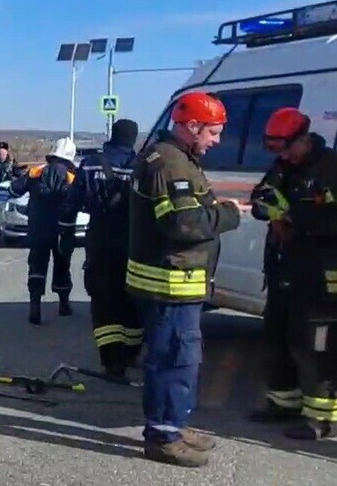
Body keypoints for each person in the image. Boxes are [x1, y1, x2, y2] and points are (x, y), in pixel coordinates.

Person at [127, 91, 246, 467]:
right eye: (213, 132)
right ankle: (164, 436)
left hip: (176, 279)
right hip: (170, 282)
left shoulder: (176, 158)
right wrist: (228, 214)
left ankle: (173, 426)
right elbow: (182, 224)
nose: (217, 140)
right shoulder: (171, 164)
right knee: (175, 360)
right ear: (192, 126)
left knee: (178, 358)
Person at [248, 107, 337, 440]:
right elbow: (260, 198)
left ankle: (322, 420)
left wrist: (293, 219)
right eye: (275, 150)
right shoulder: (283, 166)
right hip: (285, 267)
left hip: (322, 273)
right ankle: (282, 402)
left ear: (303, 140)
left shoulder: (330, 168)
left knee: (316, 346)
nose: (282, 156)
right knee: (278, 335)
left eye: (285, 148)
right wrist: (273, 210)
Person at [59, 119, 142, 378]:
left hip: (100, 239)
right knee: (131, 299)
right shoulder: (141, 166)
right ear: (133, 139)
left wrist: (66, 235)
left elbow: (71, 203)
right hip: (133, 241)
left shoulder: (92, 163)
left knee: (104, 300)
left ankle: (111, 361)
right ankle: (130, 353)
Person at [10, 137, 77, 325]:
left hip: (38, 228)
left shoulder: (37, 172)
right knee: (62, 265)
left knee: (37, 265)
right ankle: (64, 304)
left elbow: (14, 191)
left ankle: (35, 306)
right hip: (63, 229)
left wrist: (25, 177)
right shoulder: (72, 177)